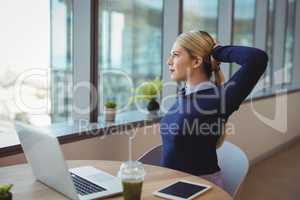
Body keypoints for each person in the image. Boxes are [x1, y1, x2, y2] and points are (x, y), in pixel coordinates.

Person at [160, 30, 268, 188]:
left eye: (175, 54)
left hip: (199, 188)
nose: (169, 61)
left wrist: (216, 52)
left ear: (196, 61)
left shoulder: (220, 98)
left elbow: (256, 58)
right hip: (171, 185)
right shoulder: (184, 95)